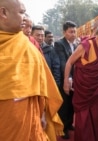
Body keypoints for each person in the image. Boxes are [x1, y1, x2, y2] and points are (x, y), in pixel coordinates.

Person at [0, 0, 63, 141]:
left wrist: (43, 115)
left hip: (27, 121)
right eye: (21, 13)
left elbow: (43, 88)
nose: (24, 18)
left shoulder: (27, 47)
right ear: (3, 13)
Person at [54, 20, 77, 139]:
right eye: (70, 32)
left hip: (75, 80)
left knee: (72, 103)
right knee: (65, 105)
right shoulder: (59, 44)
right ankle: (63, 129)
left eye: (74, 31)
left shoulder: (76, 45)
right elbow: (64, 63)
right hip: (65, 79)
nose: (73, 34)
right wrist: (68, 78)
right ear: (64, 32)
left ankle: (69, 124)